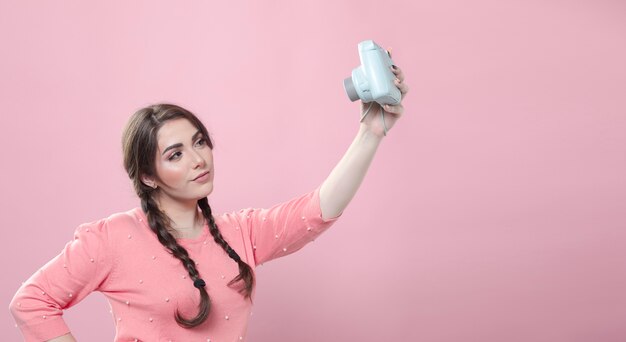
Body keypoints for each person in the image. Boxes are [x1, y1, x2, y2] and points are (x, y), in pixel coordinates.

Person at [9, 64, 408, 341]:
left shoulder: (241, 233)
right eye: (175, 154)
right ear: (148, 176)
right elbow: (31, 302)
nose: (199, 159)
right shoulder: (113, 237)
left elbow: (316, 211)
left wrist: (371, 132)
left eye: (199, 142)